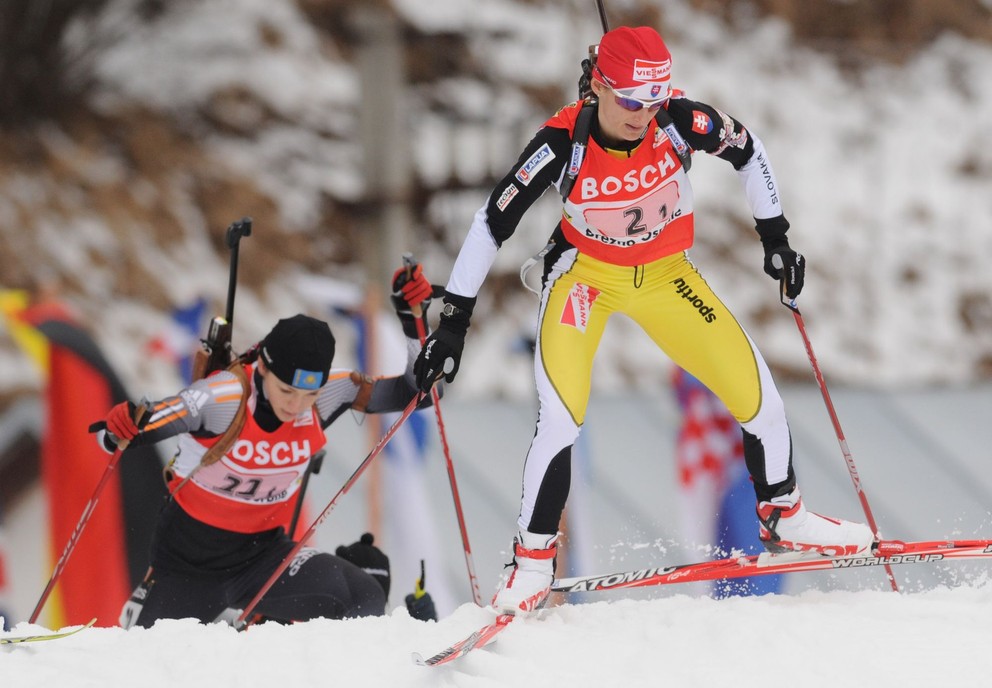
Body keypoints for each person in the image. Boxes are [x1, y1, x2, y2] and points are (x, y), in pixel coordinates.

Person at [414, 25, 874, 614]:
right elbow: (490, 223)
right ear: (600, 85)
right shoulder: (564, 141)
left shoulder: (679, 120)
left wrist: (775, 238)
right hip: (587, 281)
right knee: (560, 419)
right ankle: (531, 563)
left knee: (760, 397)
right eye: (631, 101)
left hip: (665, 277)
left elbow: (748, 150)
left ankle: (785, 514)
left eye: (654, 100)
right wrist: (453, 322)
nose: (642, 115)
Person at [91, 261, 439, 628]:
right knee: (149, 667)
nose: (296, 406)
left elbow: (422, 392)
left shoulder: (330, 394)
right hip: (188, 569)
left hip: (264, 561)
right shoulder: (222, 399)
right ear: (262, 369)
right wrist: (123, 426)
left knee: (363, 595)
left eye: (309, 394)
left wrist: (413, 320)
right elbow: (130, 430)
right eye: (286, 390)